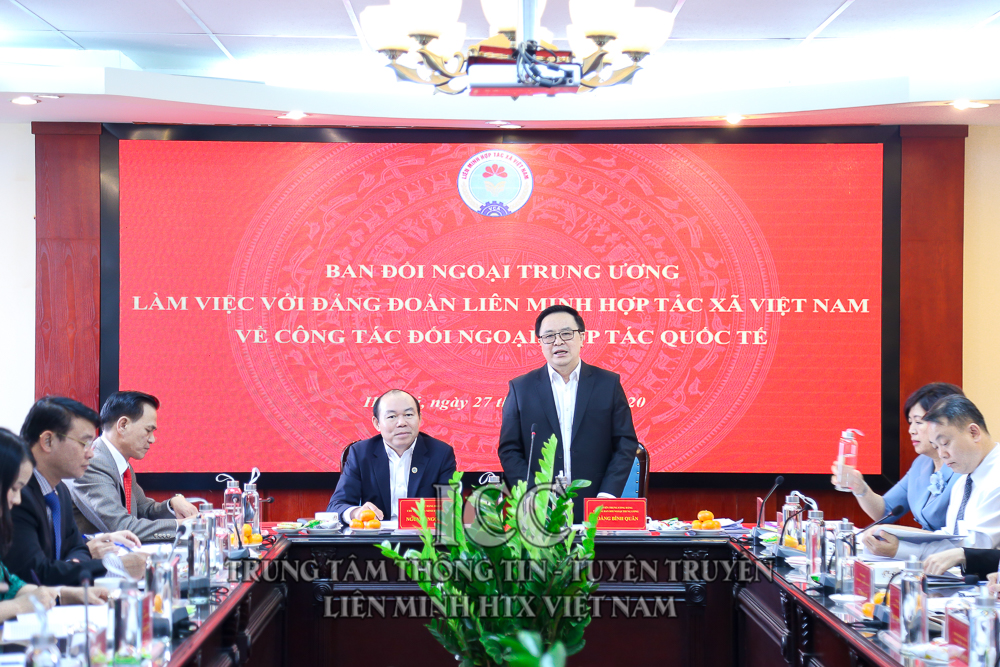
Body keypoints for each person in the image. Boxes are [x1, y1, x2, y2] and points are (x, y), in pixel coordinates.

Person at [497, 305, 639, 522]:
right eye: (549, 336)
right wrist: (533, 494)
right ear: (540, 343)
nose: (558, 342)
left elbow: (625, 443)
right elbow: (509, 450)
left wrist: (607, 495)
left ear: (582, 338)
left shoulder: (608, 384)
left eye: (566, 333)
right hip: (539, 509)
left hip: (595, 503)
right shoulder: (521, 389)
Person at [9, 397, 145, 585]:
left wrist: (71, 567)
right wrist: (115, 566)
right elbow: (35, 573)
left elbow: (78, 548)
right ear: (48, 441)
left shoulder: (60, 491)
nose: (91, 453)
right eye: (84, 443)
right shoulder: (14, 495)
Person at [862, 395, 1000, 566]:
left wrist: (902, 549)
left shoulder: (996, 479)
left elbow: (974, 548)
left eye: (945, 443)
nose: (942, 454)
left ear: (974, 433)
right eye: (936, 446)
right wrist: (897, 536)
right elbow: (952, 537)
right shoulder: (964, 480)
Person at [0, 428, 106, 622]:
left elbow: (12, 585)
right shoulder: (26, 504)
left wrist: (62, 595)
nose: (17, 499)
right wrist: (18, 606)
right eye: (14, 489)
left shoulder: (61, 491)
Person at [68, 391, 199, 542]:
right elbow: (123, 528)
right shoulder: (92, 463)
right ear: (123, 425)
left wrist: (171, 504)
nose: (152, 439)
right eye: (148, 430)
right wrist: (183, 526)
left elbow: (144, 509)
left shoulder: (122, 465)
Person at [832, 383, 963, 531]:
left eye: (918, 422)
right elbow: (885, 511)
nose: (911, 430)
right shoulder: (922, 463)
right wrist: (860, 488)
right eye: (910, 422)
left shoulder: (963, 466)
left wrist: (904, 537)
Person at [327, 389, 457, 522]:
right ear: (377, 423)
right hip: (375, 533)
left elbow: (450, 509)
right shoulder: (360, 453)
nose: (402, 423)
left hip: (422, 533)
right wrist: (356, 512)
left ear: (419, 418)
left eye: (408, 414)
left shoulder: (441, 453)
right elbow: (336, 506)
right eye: (392, 417)